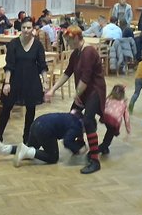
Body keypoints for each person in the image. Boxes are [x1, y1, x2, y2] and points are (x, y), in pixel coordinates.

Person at [45, 25, 107, 174]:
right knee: (73, 116)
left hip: (95, 91)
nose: (67, 43)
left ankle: (94, 160)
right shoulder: (76, 53)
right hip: (84, 91)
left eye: (69, 40)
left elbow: (85, 78)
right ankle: (79, 145)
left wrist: (77, 95)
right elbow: (67, 73)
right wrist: (52, 89)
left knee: (87, 121)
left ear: (78, 38)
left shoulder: (88, 52)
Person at [0, 17, 48, 145]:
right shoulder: (13, 44)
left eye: (29, 27)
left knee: (30, 110)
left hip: (32, 80)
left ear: (33, 29)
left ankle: (26, 138)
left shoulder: (38, 45)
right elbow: (9, 65)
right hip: (15, 80)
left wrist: (45, 82)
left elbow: (42, 65)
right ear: (20, 28)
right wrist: (7, 83)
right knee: (6, 108)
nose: (26, 30)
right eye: (24, 27)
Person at [1, 112, 85, 166]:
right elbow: (67, 141)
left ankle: (4, 149)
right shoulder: (77, 127)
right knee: (53, 157)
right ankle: (26, 151)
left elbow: (73, 137)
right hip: (45, 130)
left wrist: (77, 147)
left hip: (37, 122)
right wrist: (78, 149)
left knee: (31, 148)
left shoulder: (74, 119)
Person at [98, 84, 131, 155]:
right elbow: (127, 117)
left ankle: (105, 150)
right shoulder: (123, 103)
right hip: (114, 121)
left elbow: (102, 107)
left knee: (109, 132)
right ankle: (94, 152)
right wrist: (128, 129)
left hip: (106, 118)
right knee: (108, 140)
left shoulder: (108, 99)